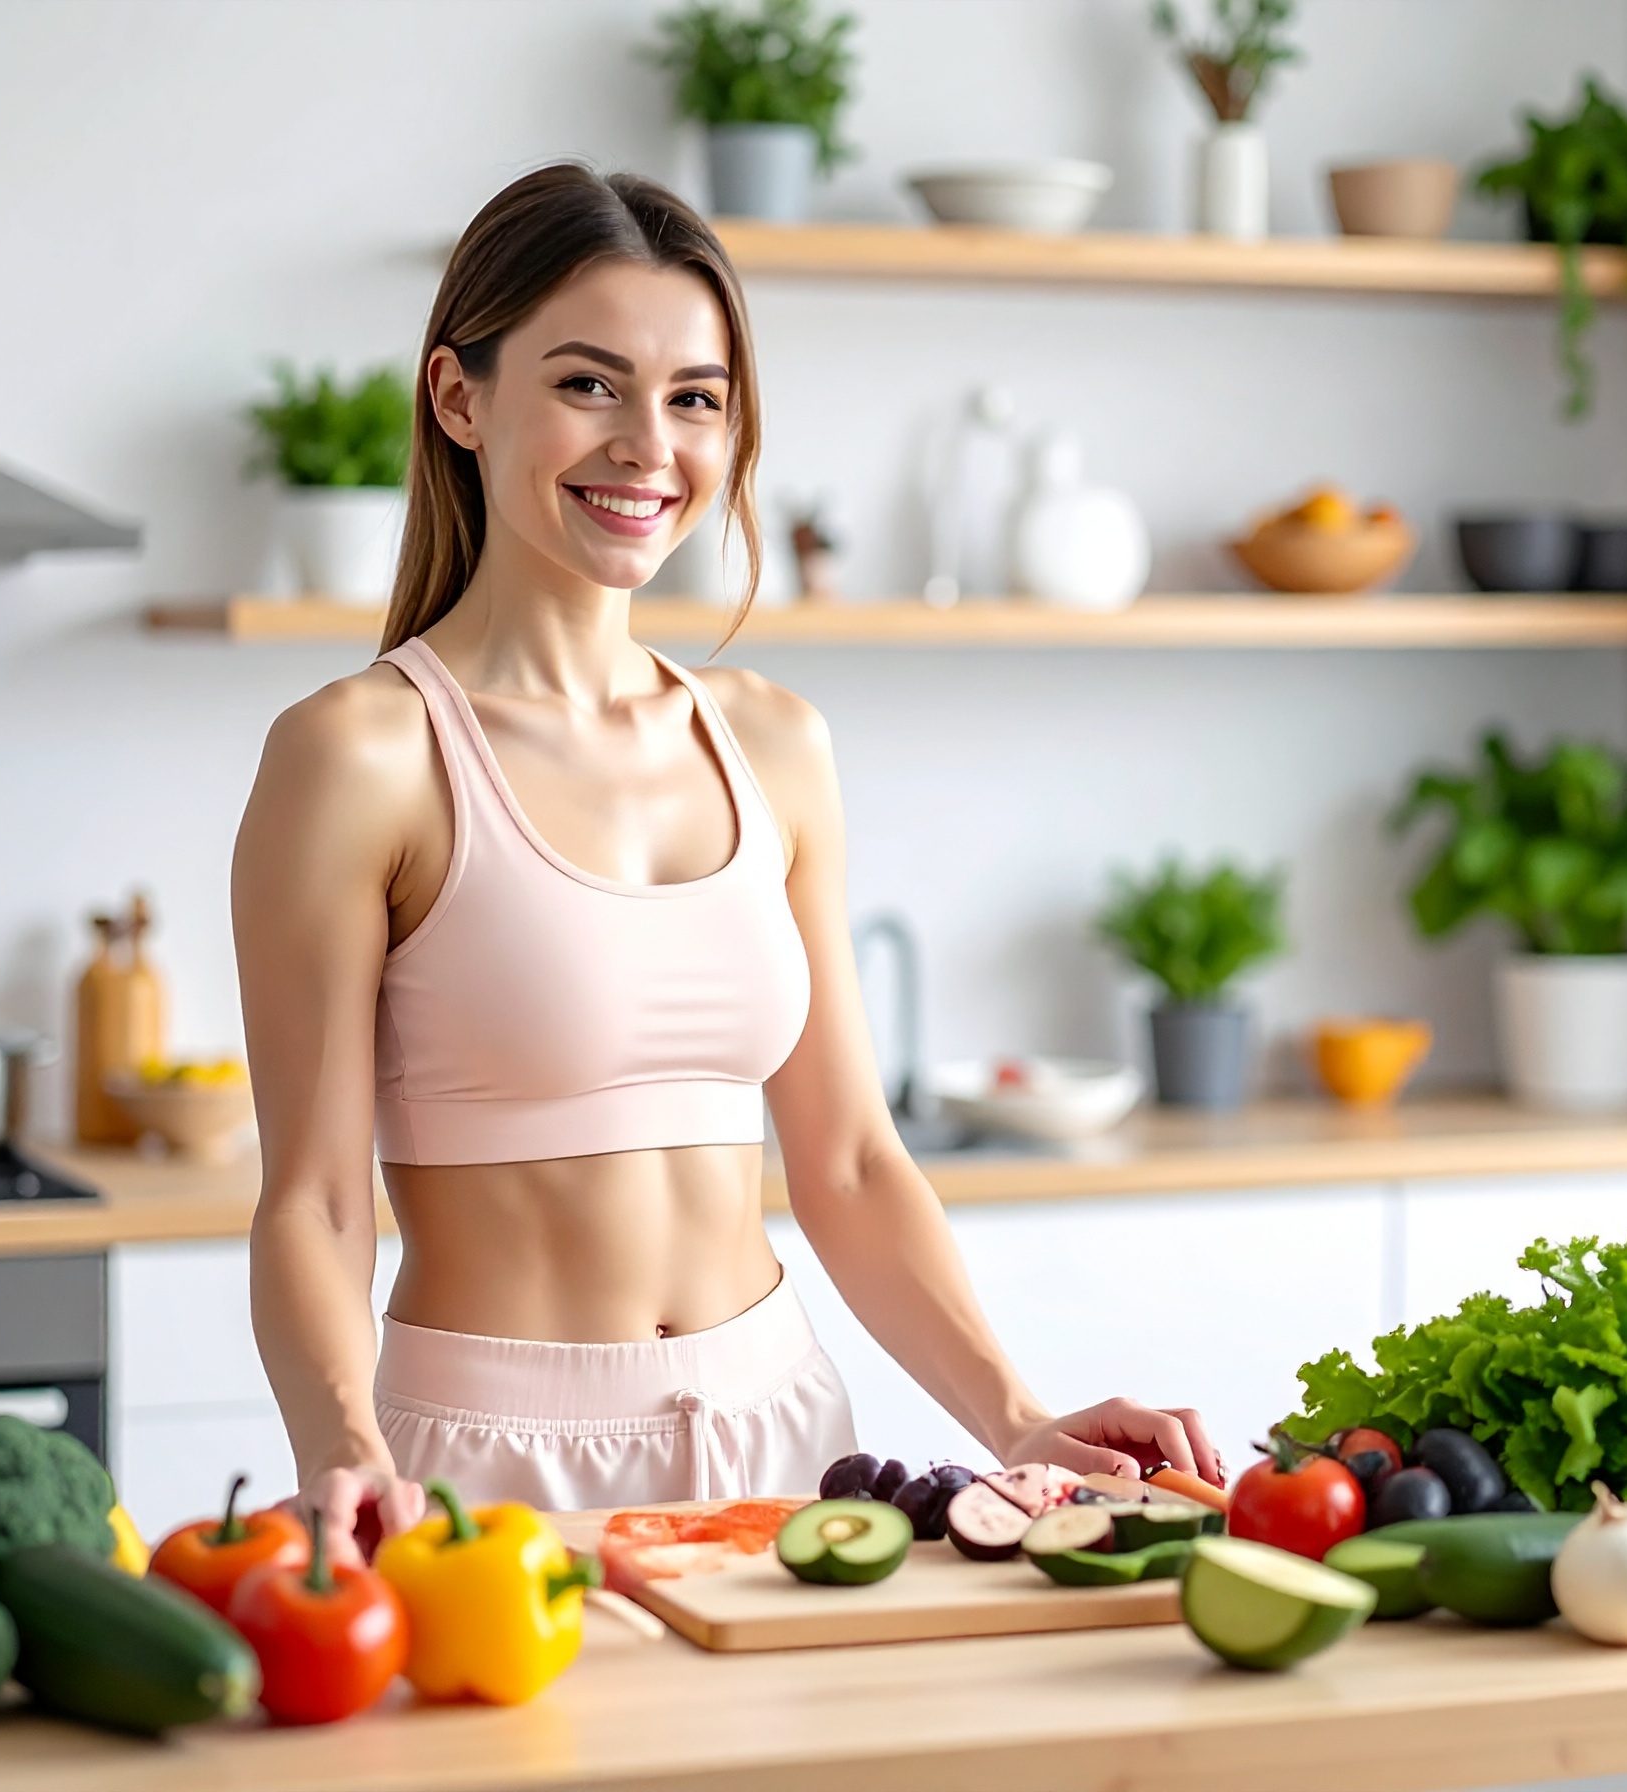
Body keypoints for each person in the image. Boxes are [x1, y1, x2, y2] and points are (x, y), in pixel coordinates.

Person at [235, 165, 1221, 1544]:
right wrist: (341, 1444)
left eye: (695, 397)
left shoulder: (774, 743)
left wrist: (1013, 1415)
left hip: (783, 1436)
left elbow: (853, 1164)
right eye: (589, 385)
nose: (650, 445)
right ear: (459, 398)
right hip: (484, 1470)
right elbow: (319, 1200)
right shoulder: (362, 756)